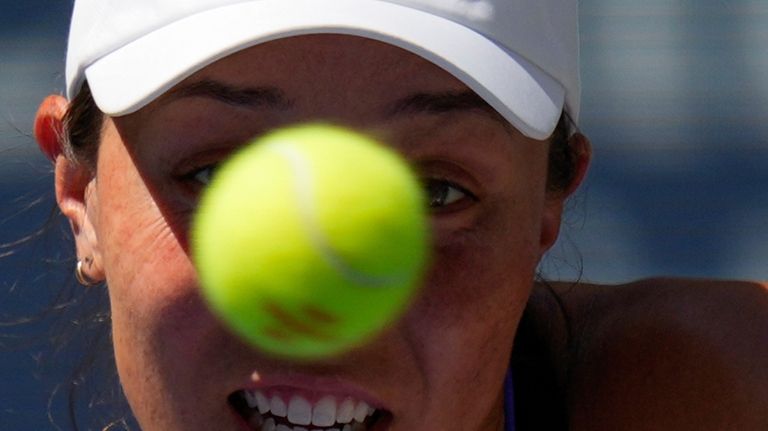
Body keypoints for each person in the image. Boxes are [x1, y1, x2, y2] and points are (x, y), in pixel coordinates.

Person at [31, 1, 767, 430]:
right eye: (218, 176)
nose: (321, 313)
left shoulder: (726, 387)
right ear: (79, 189)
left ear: (551, 201)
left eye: (435, 193)